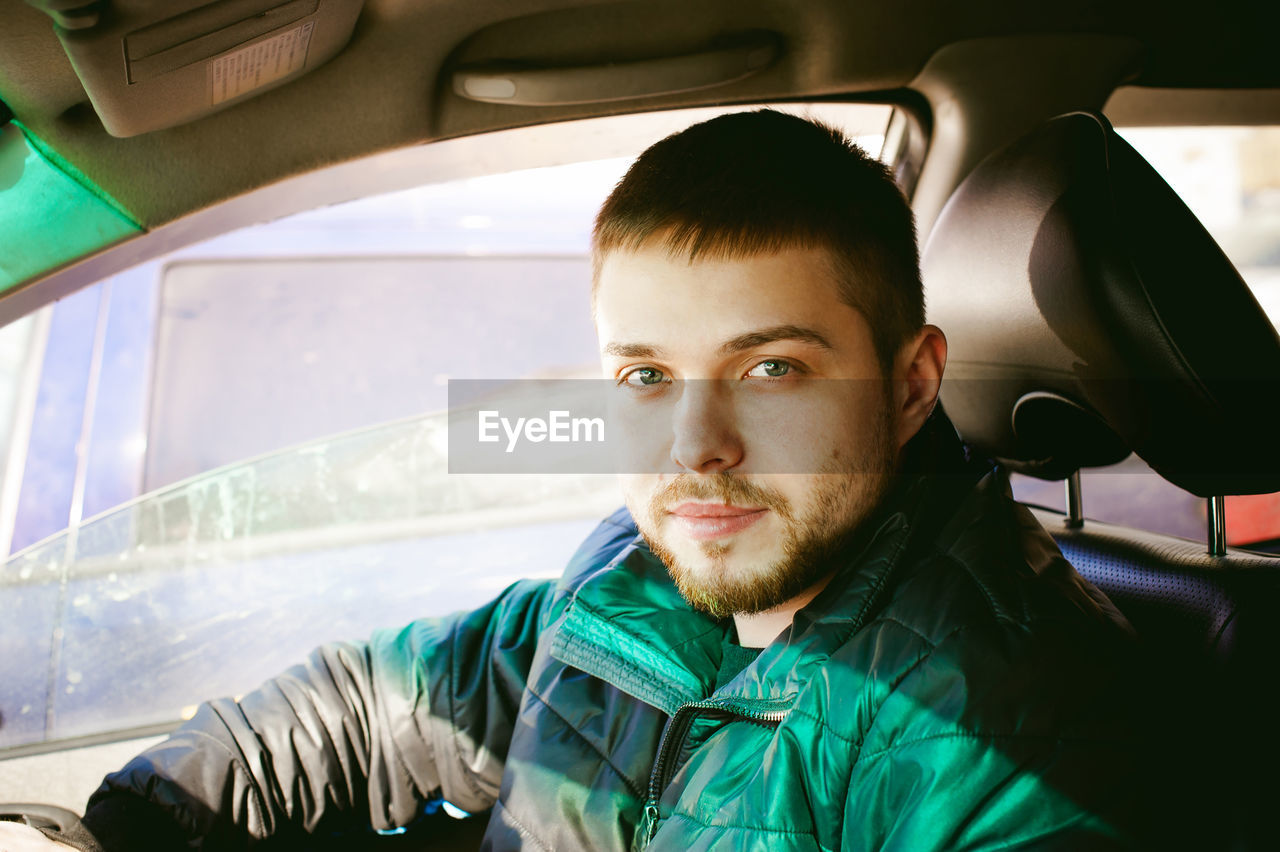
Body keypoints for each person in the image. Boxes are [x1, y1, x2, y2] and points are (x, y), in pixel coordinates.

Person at [6, 109, 1146, 851]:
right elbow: (376, 704)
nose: (695, 445)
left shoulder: (1011, 733)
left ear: (908, 387)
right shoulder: (635, 574)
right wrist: (116, 834)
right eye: (645, 374)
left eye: (769, 368)